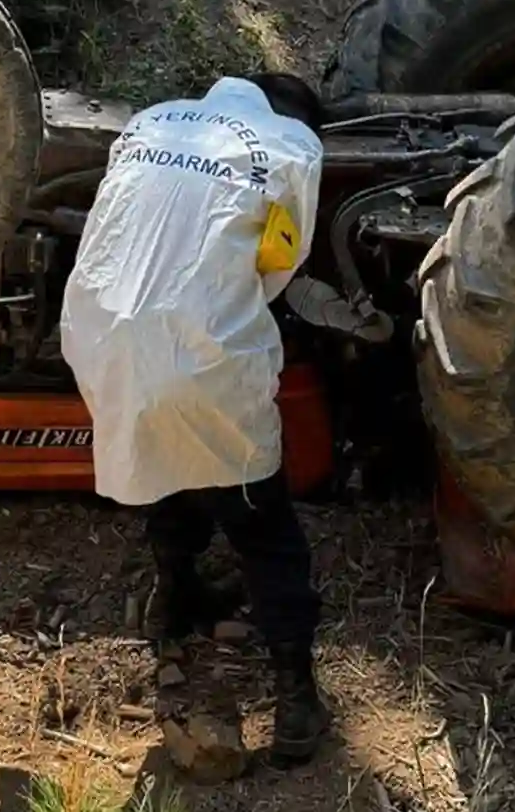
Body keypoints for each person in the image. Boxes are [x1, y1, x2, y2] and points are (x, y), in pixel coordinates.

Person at [59, 72, 330, 765]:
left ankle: (176, 598)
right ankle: (296, 701)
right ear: (294, 115)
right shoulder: (292, 144)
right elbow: (281, 259)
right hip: (199, 346)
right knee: (262, 524)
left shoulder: (149, 120)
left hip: (95, 330)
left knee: (160, 455)